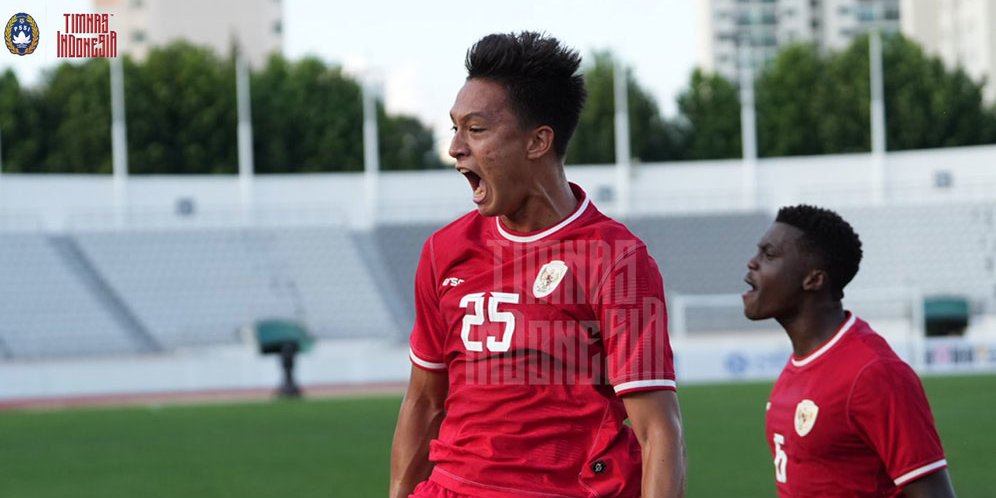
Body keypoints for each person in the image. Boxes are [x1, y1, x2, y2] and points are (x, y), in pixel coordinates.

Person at [389, 32, 686, 498]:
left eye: (476, 129)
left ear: (538, 141)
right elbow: (425, 402)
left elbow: (658, 431)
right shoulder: (444, 251)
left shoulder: (618, 260)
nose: (455, 148)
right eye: (455, 128)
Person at [743, 204, 956, 498]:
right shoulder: (801, 365)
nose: (752, 263)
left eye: (769, 255)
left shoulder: (875, 373)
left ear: (814, 279)